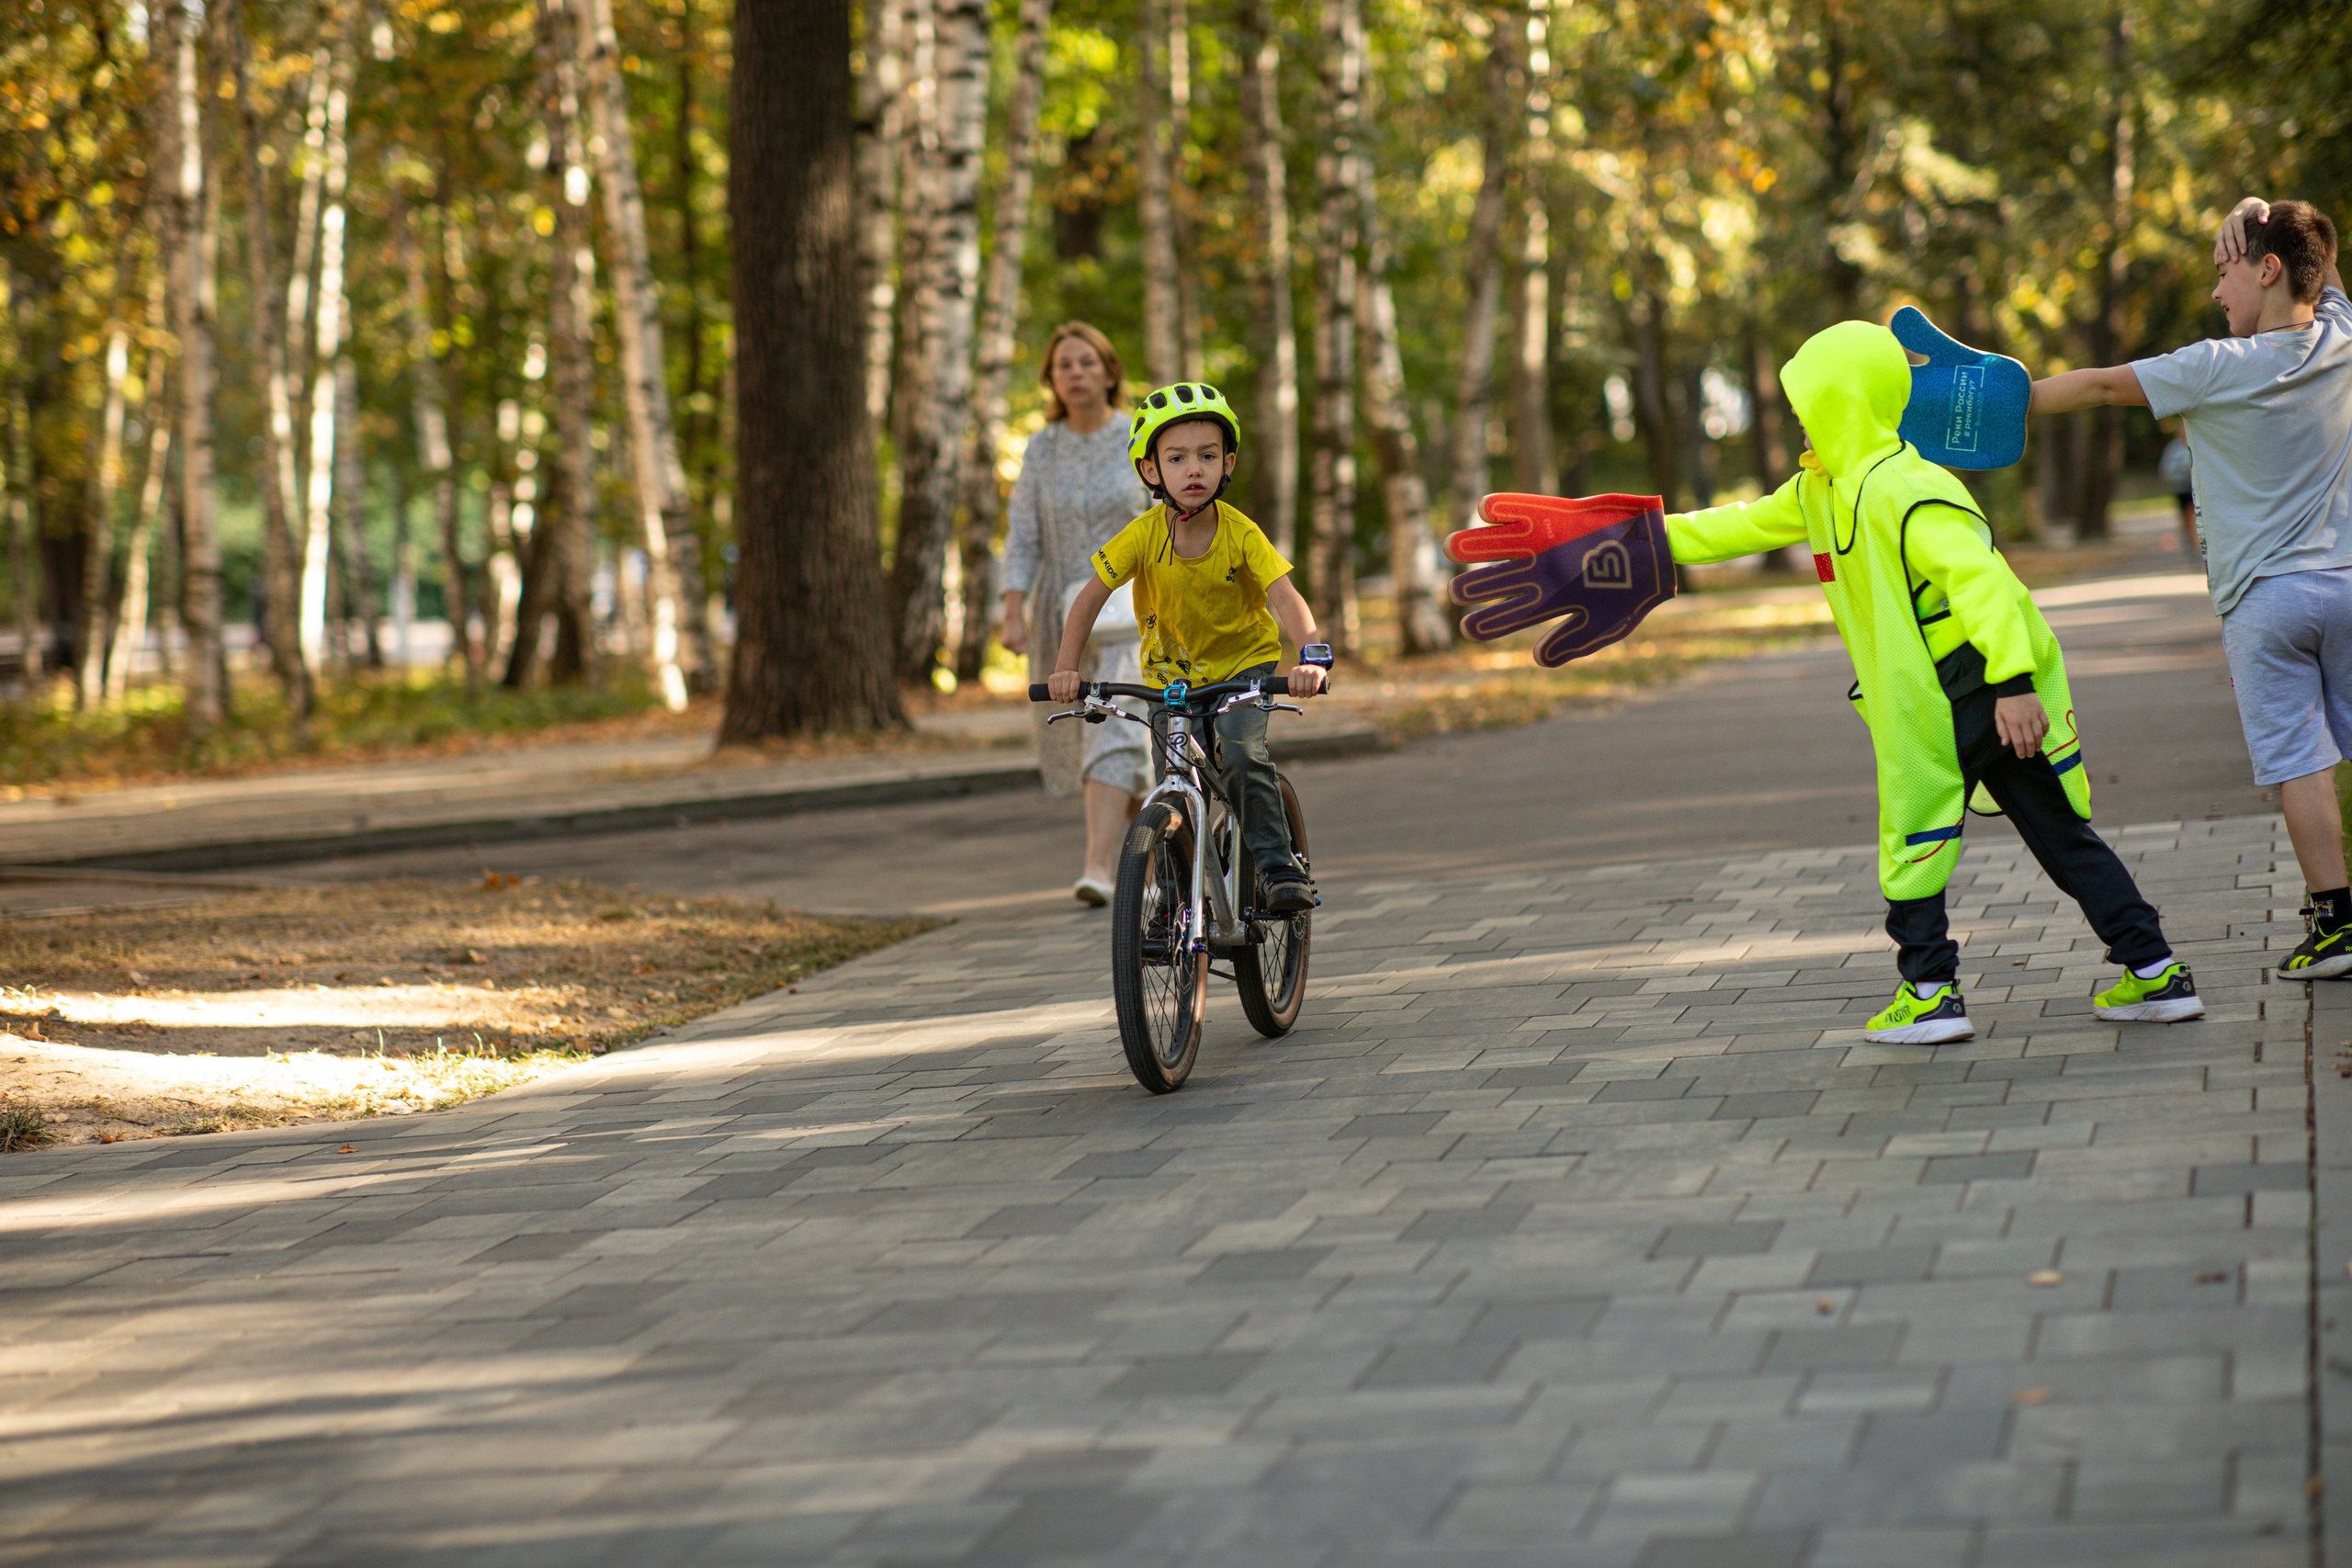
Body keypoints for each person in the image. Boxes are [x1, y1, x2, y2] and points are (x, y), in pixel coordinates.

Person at [1660, 321, 2200, 1043]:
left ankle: (1930, 991)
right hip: (1973, 689)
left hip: (1966, 685)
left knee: (1912, 832)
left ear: (1845, 401)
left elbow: (1986, 585)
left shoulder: (1908, 487)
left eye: (1807, 402)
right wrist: (1634, 540)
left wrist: (2012, 683)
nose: (1798, 416)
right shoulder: (1821, 490)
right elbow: (1733, 526)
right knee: (2059, 833)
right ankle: (2155, 969)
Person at [2030, 197, 2352, 978]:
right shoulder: (2342, 337)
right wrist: (2259, 209)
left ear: (2267, 270)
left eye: (2225, 272)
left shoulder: (2216, 366)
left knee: (2300, 764)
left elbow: (2103, 388)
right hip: (2345, 586)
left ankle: (2338, 927)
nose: (2217, 293)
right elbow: (2327, 253)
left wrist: (2003, 400)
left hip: (2263, 602)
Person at [1046, 383, 1329, 915]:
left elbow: (1285, 598)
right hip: (1169, 679)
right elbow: (1088, 600)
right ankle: (1174, 902)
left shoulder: (1242, 534)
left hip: (1244, 668)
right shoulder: (1142, 535)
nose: (1193, 469)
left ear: (1228, 464)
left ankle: (1277, 865)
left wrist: (1309, 655)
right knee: (1173, 788)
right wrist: (1065, 669)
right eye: (1177, 458)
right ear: (1152, 471)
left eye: (1207, 456)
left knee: (1242, 756)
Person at [1000, 322, 1153, 906]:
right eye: (1065, 365)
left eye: (1088, 362)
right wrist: (1012, 612)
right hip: (1064, 617)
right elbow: (1022, 537)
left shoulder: (1139, 436)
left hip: (1137, 610)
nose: (1077, 373)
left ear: (1110, 372)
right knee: (1118, 736)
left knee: (1113, 721)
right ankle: (1168, 856)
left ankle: (1098, 867)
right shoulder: (1042, 448)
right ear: (1052, 380)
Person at [2158, 423, 2199, 558]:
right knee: (2185, 516)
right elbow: (2166, 469)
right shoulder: (2173, 448)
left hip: (2195, 487)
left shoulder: (2196, 444)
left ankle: (2198, 542)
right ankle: (2189, 542)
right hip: (2180, 487)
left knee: (2195, 514)